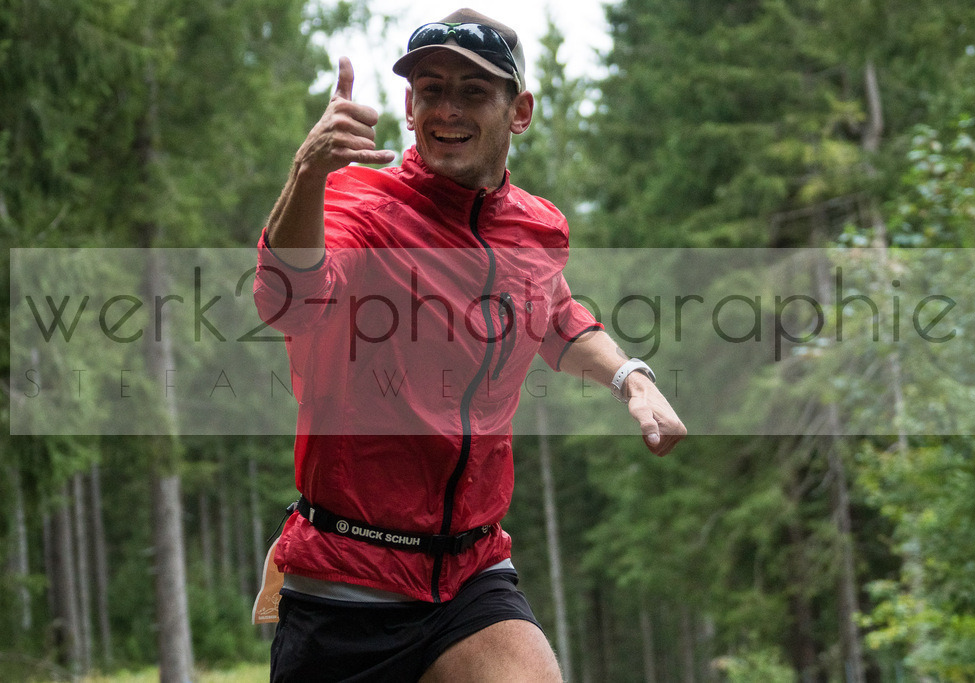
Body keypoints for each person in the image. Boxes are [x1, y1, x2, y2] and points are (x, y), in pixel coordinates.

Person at [253, 8, 686, 682]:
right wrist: (308, 172)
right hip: (347, 582)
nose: (447, 109)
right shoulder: (358, 205)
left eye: (473, 91)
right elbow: (287, 296)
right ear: (408, 105)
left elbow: (556, 315)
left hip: (469, 576)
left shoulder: (536, 229)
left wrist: (632, 376)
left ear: (520, 111)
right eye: (431, 90)